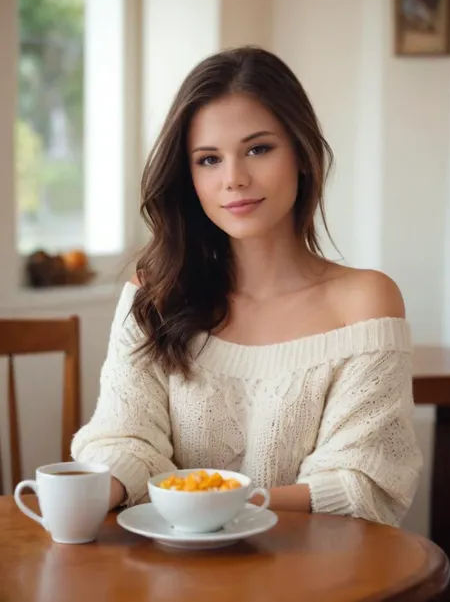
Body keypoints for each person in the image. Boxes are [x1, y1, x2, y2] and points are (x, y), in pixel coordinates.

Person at [72, 46, 422, 525]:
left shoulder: (364, 303)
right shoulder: (156, 293)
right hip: (167, 576)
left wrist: (211, 505)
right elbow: (124, 438)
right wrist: (93, 490)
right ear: (188, 175)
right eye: (209, 159)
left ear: (301, 153)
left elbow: (360, 482)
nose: (234, 179)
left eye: (258, 149)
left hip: (314, 579)